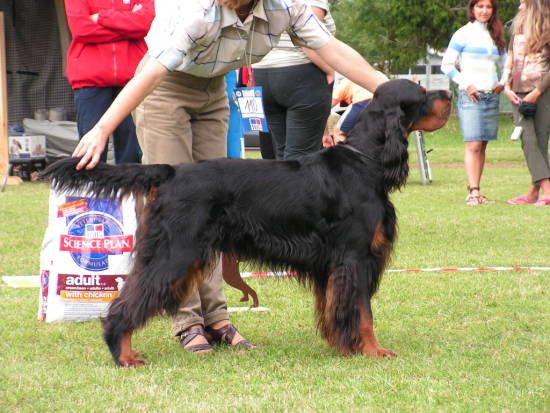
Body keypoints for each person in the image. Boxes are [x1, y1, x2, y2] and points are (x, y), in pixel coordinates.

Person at [71, 0, 388, 354]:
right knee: (184, 212)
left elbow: (335, 51)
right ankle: (187, 324)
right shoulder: (200, 14)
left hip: (213, 90)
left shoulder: (284, 8)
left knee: (217, 209)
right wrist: (101, 129)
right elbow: (150, 74)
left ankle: (216, 318)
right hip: (164, 86)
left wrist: (390, 89)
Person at [65, 0, 154, 164]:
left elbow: (144, 24)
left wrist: (101, 17)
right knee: (90, 150)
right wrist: (128, 26)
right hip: (89, 79)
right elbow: (81, 29)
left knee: (132, 149)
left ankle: (130, 190)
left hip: (133, 79)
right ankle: (91, 189)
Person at [252, 0, 336, 160]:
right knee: (301, 160)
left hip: (264, 72)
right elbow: (308, 35)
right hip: (301, 73)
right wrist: (329, 70)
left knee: (282, 156)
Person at [441, 0, 507, 205]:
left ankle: (477, 190)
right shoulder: (463, 33)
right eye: (480, 6)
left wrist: (502, 83)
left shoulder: (496, 34)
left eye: (488, 7)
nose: (484, 11)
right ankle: (473, 192)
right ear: (472, 9)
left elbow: (507, 64)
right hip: (471, 96)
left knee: (483, 145)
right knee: (474, 144)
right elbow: (447, 64)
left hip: (491, 96)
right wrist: (466, 84)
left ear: (493, 10)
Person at [503, 0, 550, 206]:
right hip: (516, 91)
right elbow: (510, 57)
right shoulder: (517, 27)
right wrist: (505, 86)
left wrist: (537, 92)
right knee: (527, 139)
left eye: (523, 2)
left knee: (539, 141)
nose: (520, 5)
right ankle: (547, 191)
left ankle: (534, 192)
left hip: (543, 91)